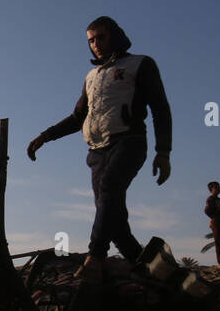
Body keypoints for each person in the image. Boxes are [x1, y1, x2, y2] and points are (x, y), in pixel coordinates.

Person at [26, 16, 171, 283]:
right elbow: (78, 116)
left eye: (101, 37)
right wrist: (45, 136)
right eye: (91, 40)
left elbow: (160, 108)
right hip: (97, 151)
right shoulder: (91, 77)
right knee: (111, 214)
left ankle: (95, 257)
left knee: (110, 189)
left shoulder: (140, 64)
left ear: (115, 35)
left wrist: (163, 152)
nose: (96, 44)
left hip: (129, 141)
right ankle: (145, 268)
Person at [205, 181, 220, 269]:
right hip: (217, 223)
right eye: (216, 188)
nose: (218, 189)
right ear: (211, 190)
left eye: (219, 187)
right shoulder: (211, 199)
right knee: (219, 242)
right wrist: (213, 218)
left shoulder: (218, 199)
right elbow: (207, 210)